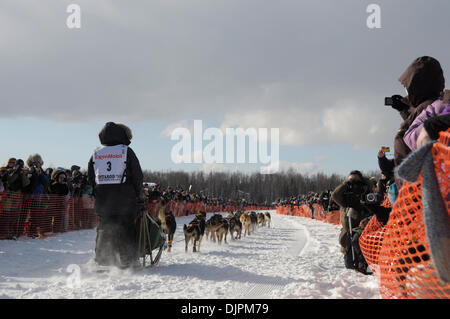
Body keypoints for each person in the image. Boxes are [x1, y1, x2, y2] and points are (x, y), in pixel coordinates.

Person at [88, 122, 144, 268]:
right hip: (124, 198)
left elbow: (91, 177)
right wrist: (138, 193)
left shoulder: (96, 152)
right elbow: (137, 174)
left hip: (103, 199)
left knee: (104, 228)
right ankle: (129, 259)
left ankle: (103, 259)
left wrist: (97, 192)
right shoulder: (126, 151)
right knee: (127, 227)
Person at [390, 56, 445, 167]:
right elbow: (419, 122)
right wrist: (404, 110)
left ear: (417, 87)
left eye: (408, 88)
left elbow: (414, 137)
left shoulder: (428, 107)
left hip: (422, 178)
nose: (407, 93)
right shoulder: (437, 103)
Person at [331, 170, 374, 273]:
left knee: (358, 243)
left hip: (363, 227)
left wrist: (364, 183)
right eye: (351, 179)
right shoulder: (346, 195)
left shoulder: (366, 190)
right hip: (349, 230)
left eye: (356, 179)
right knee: (349, 265)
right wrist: (346, 183)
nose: (354, 181)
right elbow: (335, 195)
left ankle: (364, 265)